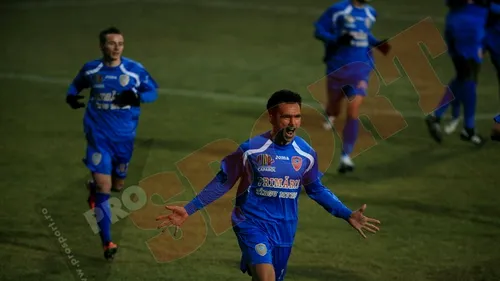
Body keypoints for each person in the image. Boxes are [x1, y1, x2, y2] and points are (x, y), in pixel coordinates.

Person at [156, 90, 381, 281]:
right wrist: (188, 209)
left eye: (297, 117)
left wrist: (346, 213)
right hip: (251, 223)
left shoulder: (306, 154)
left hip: (285, 229)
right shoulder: (251, 150)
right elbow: (223, 182)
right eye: (286, 117)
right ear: (271, 116)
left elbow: (316, 189)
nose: (293, 123)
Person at [66, 26, 159, 260]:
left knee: (118, 186)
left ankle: (94, 193)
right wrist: (71, 95)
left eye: (120, 43)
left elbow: (153, 91)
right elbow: (76, 84)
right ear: (102, 46)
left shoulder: (134, 70)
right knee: (104, 188)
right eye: (112, 43)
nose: (117, 47)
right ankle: (107, 242)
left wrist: (137, 96)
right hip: (98, 138)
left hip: (124, 140)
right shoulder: (92, 69)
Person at [313, 0, 391, 173]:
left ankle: (345, 157)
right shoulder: (339, 10)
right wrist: (337, 39)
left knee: (353, 109)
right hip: (337, 68)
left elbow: (363, 34)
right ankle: (330, 113)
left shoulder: (371, 12)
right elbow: (319, 30)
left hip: (360, 69)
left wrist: (376, 43)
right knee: (334, 108)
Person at [425, 0, 489, 146]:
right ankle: (467, 128)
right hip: (469, 24)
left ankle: (441, 117)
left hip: (459, 22)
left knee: (464, 79)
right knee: (468, 81)